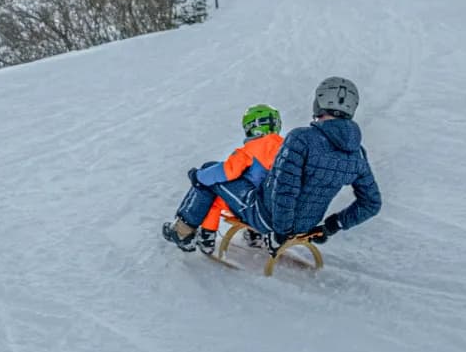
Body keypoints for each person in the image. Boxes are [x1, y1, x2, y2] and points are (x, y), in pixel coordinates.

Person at [162, 77, 380, 255]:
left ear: (318, 104)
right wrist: (332, 226)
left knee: (209, 173)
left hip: (267, 218)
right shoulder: (357, 154)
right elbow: (371, 203)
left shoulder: (301, 139)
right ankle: (226, 234)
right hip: (306, 224)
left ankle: (183, 231)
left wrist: (280, 233)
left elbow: (285, 188)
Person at [162, 104, 284, 256]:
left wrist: (197, 176)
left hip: (254, 210)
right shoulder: (286, 147)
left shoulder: (253, 149)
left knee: (209, 179)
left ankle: (187, 232)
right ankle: (253, 236)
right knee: (227, 185)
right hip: (277, 209)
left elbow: (228, 171)